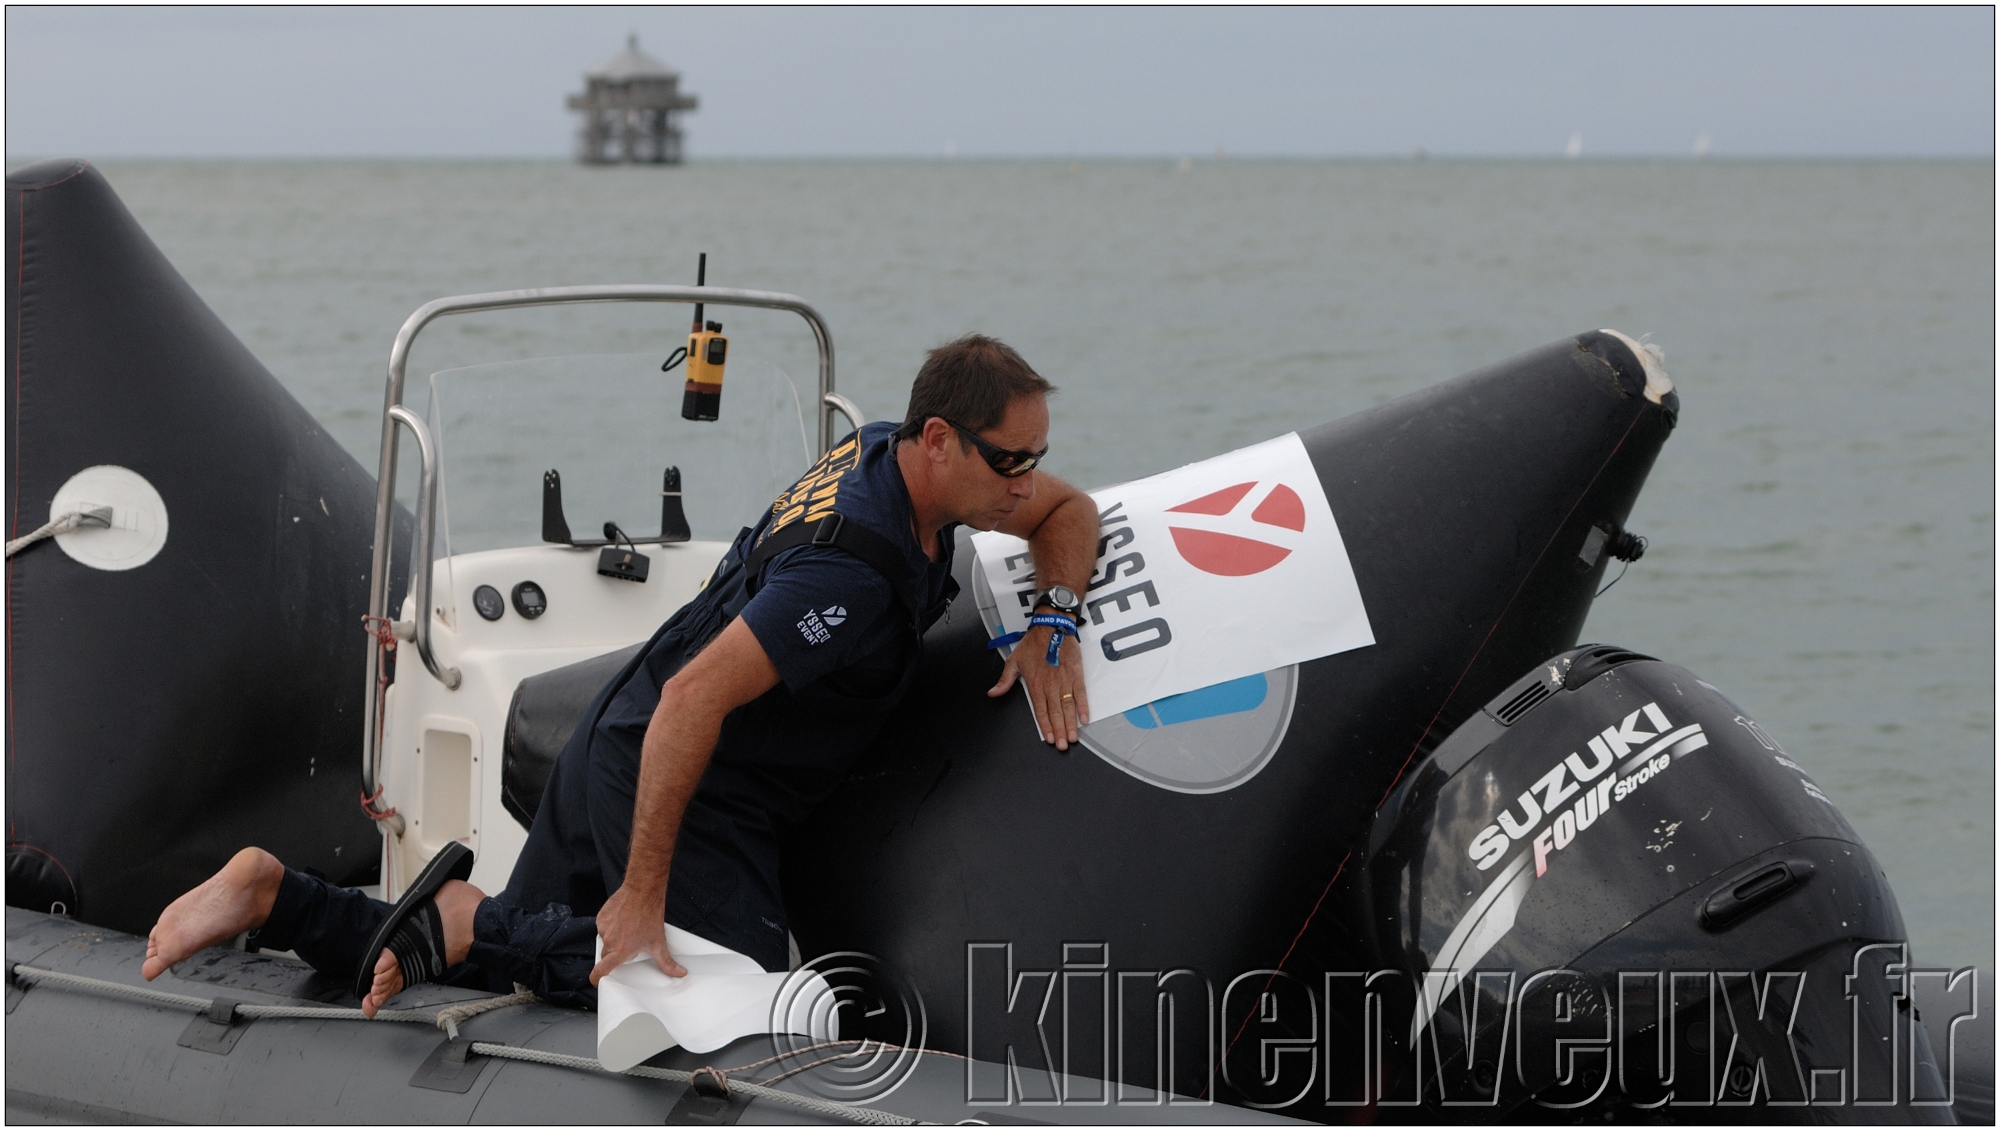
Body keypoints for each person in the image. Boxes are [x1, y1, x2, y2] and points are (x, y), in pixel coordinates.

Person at [142, 334, 1101, 1017]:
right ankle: (466, 917)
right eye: (1009, 458)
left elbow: (1070, 513)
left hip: (623, 723)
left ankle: (278, 896)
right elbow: (697, 699)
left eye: (1036, 455)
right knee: (740, 993)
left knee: (501, 978)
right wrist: (642, 894)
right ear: (939, 438)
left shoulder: (896, 459)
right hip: (679, 769)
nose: (1026, 480)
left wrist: (1054, 621)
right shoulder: (850, 569)